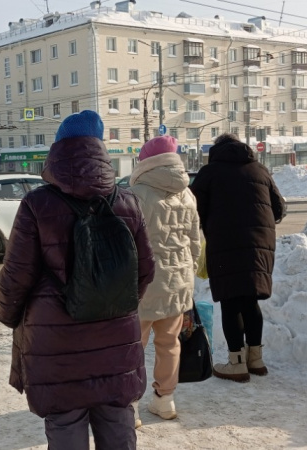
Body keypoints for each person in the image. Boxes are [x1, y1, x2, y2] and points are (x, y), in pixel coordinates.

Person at [0, 110, 155, 450]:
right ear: (100, 150)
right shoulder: (128, 201)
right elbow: (145, 269)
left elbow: (16, 275)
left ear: (58, 150)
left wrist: (9, 316)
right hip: (117, 340)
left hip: (57, 344)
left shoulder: (36, 204)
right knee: (117, 419)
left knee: (65, 422)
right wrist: (114, 303)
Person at [190, 133, 286, 382]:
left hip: (225, 245)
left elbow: (193, 210)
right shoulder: (260, 171)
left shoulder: (210, 173)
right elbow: (279, 209)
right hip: (260, 245)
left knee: (231, 301)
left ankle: (237, 363)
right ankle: (256, 359)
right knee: (250, 300)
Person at [128, 135, 202, 425]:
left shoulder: (136, 194)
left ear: (145, 162)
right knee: (170, 343)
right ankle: (165, 400)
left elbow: (128, 244)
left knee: (134, 345)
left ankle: (130, 405)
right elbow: (196, 243)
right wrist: (187, 273)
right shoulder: (187, 194)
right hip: (178, 283)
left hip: (144, 285)